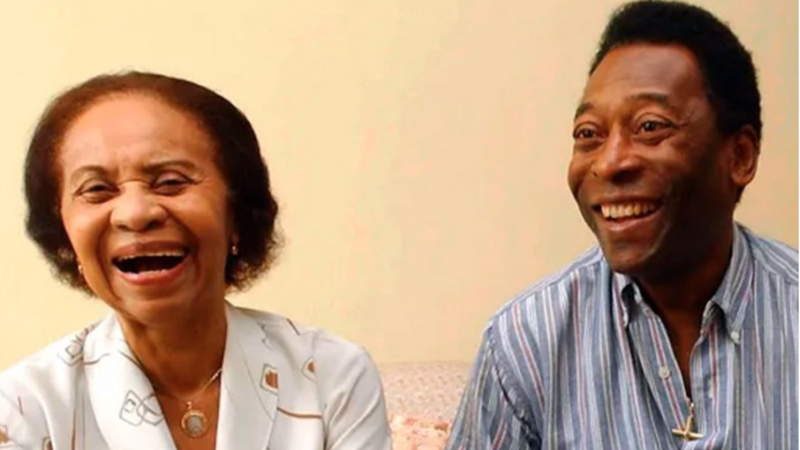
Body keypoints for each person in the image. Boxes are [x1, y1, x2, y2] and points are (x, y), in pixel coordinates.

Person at [446, 1, 797, 448]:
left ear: (740, 157)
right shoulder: (525, 343)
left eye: (650, 126)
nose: (610, 163)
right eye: (589, 134)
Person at [0, 72, 392, 449]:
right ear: (64, 235)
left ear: (236, 213)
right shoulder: (23, 409)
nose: (135, 213)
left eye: (171, 182)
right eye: (97, 190)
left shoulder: (331, 375)